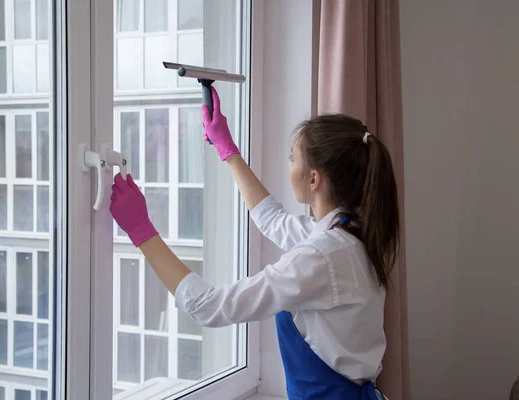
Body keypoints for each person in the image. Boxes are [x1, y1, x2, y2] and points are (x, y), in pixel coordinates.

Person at [109, 87, 399, 400]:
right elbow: (273, 220)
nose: (289, 166)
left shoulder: (321, 257)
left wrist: (142, 231)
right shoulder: (349, 236)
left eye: (292, 159)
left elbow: (208, 307)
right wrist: (227, 149)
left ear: (314, 179)